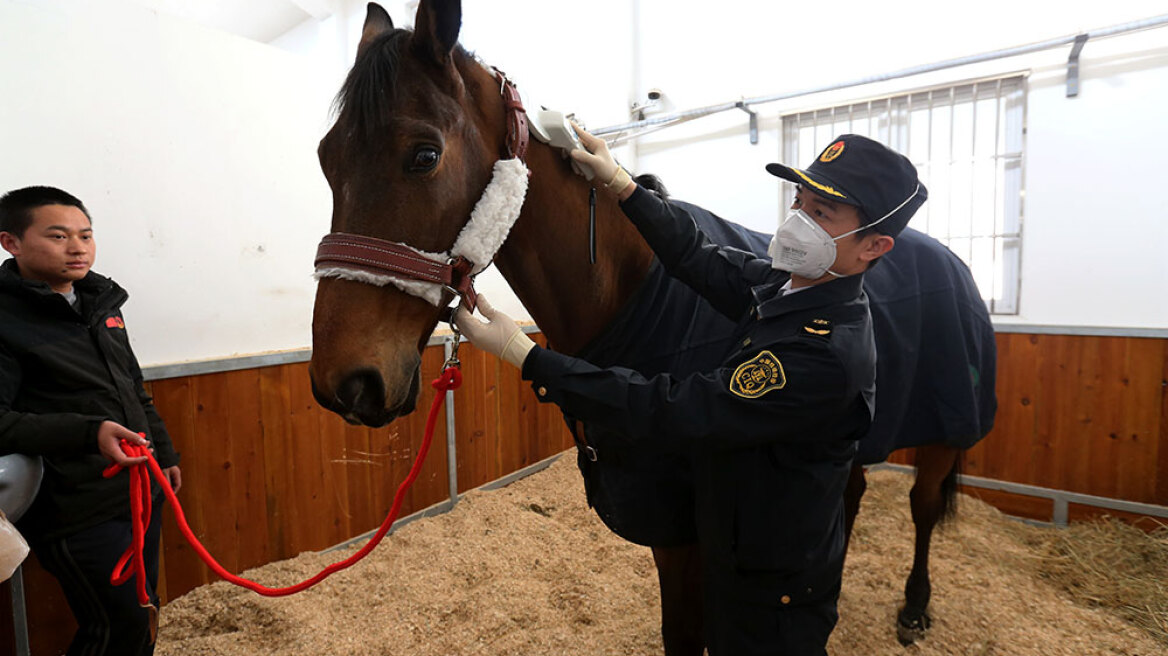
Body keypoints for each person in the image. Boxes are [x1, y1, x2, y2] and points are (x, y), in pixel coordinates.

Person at [457, 132, 927, 654]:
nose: (798, 219)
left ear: (874, 246)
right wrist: (622, 186)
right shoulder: (787, 287)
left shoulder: (826, 352)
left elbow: (673, 408)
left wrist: (529, 358)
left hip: (774, 594)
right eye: (799, 201)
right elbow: (696, 256)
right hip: (735, 551)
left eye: (823, 212)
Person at [0, 186, 181, 655]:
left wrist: (163, 450)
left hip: (139, 487)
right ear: (11, 242)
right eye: (58, 236)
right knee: (114, 625)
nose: (77, 247)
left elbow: (133, 384)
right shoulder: (5, 318)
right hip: (74, 503)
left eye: (85, 235)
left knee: (142, 611)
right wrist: (89, 433)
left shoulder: (101, 302)